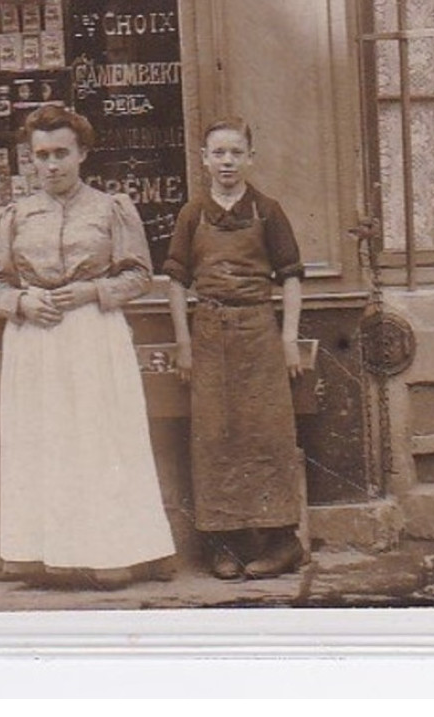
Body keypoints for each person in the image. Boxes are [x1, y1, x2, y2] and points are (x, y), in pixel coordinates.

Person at [0, 103, 174, 587]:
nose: (51, 165)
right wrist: (21, 302)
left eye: (61, 153)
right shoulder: (16, 214)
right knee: (40, 440)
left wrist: (93, 291)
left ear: (82, 153)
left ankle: (109, 552)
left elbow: (139, 276)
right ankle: (38, 553)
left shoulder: (110, 209)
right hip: (35, 341)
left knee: (98, 439)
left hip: (93, 334)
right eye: (41, 155)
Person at [163, 116, 307, 580]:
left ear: (250, 157)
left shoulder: (268, 210)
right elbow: (176, 281)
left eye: (235, 152)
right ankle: (221, 544)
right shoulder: (192, 213)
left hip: (259, 332)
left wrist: (288, 340)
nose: (227, 161)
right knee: (215, 437)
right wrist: (184, 343)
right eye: (218, 153)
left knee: (267, 434)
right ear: (204, 160)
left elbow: (291, 278)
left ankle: (283, 543)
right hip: (207, 334)